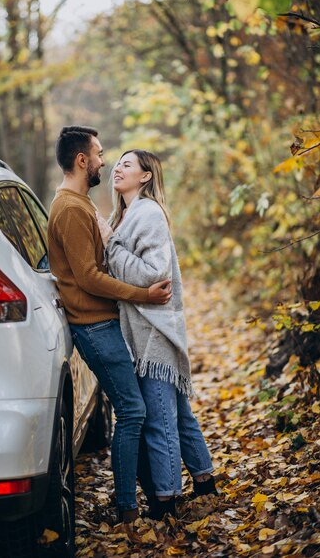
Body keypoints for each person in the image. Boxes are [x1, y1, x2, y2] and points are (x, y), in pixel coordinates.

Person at [47, 126, 172, 524]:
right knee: (133, 411)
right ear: (82, 160)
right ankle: (127, 507)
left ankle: (153, 499)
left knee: (134, 411)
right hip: (94, 326)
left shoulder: (79, 205)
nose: (104, 161)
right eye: (100, 154)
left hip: (104, 322)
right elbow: (88, 277)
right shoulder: (69, 209)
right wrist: (143, 295)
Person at [96, 149, 216, 520]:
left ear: (145, 176)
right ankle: (205, 478)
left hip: (155, 332)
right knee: (178, 413)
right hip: (148, 328)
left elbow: (152, 274)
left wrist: (110, 242)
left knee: (158, 420)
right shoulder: (127, 214)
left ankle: (165, 499)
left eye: (127, 165)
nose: (118, 168)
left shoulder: (146, 213)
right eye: (118, 163)